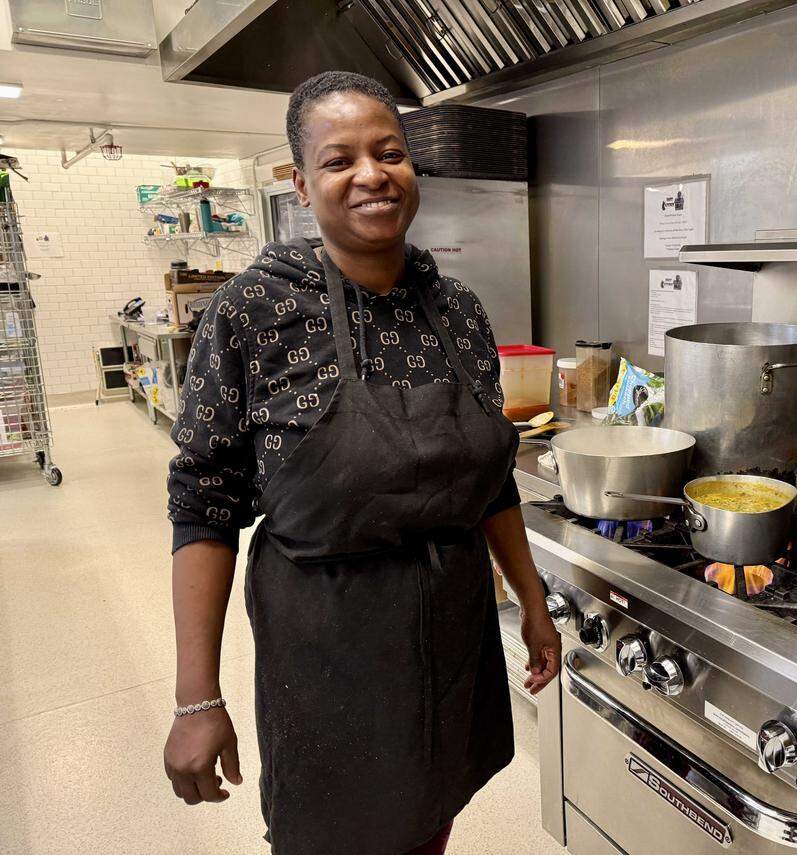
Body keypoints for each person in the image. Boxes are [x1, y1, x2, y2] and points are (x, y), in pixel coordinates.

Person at [162, 70, 561, 855]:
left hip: (453, 636)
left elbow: (490, 480)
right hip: (329, 651)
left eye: (391, 153)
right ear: (302, 186)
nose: (373, 174)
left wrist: (533, 601)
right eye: (339, 160)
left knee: (431, 824)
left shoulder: (459, 311)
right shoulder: (252, 311)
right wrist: (193, 698)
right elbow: (204, 504)